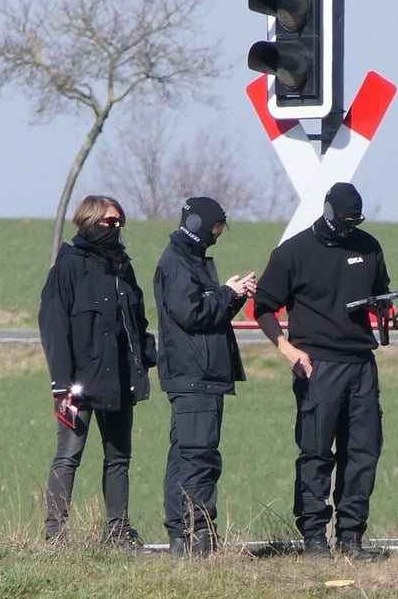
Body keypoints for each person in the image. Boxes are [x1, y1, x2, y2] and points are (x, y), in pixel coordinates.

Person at [253, 182, 391, 561]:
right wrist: (286, 348)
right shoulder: (293, 253)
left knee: (363, 453)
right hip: (318, 367)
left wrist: (385, 310)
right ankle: (314, 537)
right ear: (329, 212)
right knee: (316, 453)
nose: (350, 227)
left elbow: (381, 294)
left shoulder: (369, 247)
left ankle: (351, 537)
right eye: (345, 220)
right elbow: (263, 306)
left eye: (356, 221)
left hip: (362, 364)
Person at [38, 194, 157, 548]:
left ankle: (118, 531)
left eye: (119, 222)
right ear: (89, 221)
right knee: (69, 455)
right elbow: (54, 326)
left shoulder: (123, 267)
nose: (116, 228)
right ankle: (55, 533)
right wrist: (61, 385)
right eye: (109, 221)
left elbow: (137, 322)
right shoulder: (69, 266)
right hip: (78, 383)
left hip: (119, 380)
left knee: (119, 457)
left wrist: (149, 359)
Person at [154, 197, 256, 559]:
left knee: (185, 457)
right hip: (194, 377)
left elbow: (206, 313)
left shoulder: (187, 260)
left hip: (199, 377)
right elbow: (193, 314)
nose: (218, 235)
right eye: (215, 228)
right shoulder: (178, 263)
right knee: (199, 459)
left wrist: (232, 296)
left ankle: (184, 539)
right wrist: (226, 292)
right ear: (199, 225)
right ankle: (199, 540)